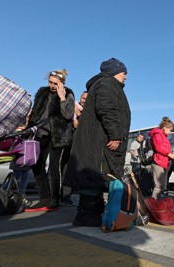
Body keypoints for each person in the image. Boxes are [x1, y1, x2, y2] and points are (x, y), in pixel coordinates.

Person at [63, 58, 130, 227]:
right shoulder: (107, 83)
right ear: (114, 71)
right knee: (95, 173)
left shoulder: (103, 84)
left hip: (97, 141)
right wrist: (115, 135)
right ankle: (86, 214)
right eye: (124, 72)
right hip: (99, 142)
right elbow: (106, 109)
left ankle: (93, 211)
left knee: (96, 175)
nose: (126, 76)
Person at [25, 69, 75, 212]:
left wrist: (62, 97)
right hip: (41, 133)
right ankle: (44, 197)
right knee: (36, 164)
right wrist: (29, 129)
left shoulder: (68, 93)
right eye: (50, 82)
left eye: (56, 83)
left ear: (62, 83)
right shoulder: (42, 92)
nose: (52, 85)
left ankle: (54, 199)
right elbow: (35, 113)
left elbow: (68, 115)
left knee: (54, 167)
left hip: (58, 135)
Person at [149, 116, 174, 200]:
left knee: (160, 184)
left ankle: (156, 202)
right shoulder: (158, 135)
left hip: (161, 162)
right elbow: (159, 148)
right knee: (159, 185)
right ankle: (153, 203)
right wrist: (169, 154)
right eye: (169, 130)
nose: (169, 132)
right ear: (165, 128)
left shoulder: (162, 135)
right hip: (158, 161)